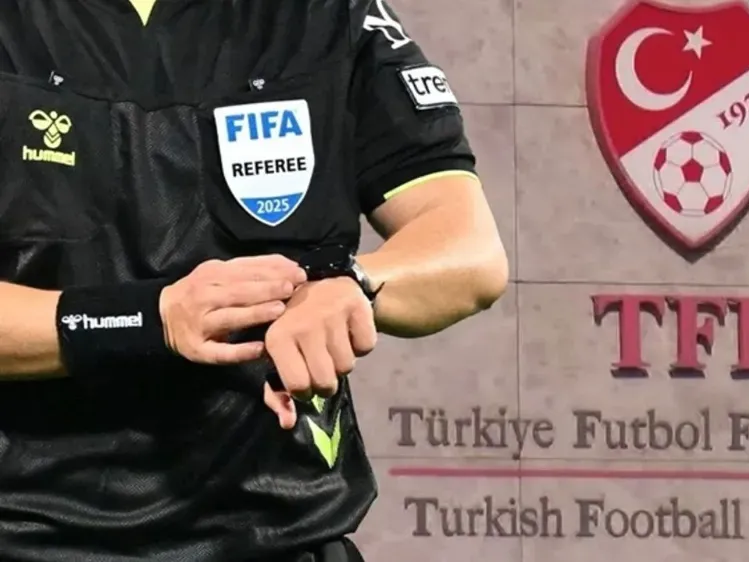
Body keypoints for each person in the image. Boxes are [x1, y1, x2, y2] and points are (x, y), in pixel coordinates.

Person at [0, 0, 508, 560]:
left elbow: (470, 251)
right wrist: (153, 319)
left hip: (282, 535)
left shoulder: (329, 16)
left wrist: (353, 284)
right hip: (30, 533)